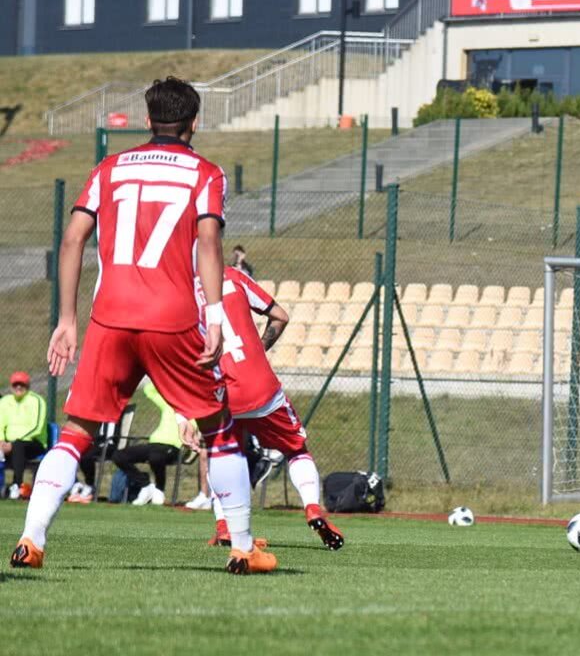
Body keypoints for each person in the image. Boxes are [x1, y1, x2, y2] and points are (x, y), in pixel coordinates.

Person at [10, 77, 275, 575]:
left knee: (75, 433)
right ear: (194, 123)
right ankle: (243, 547)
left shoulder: (109, 168)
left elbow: (72, 241)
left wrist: (67, 319)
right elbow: (210, 244)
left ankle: (31, 539)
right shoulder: (206, 173)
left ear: (148, 120)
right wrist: (215, 316)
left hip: (109, 316)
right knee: (219, 430)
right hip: (171, 318)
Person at [189, 263, 345, 550]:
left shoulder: (181, 289)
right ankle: (312, 508)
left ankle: (224, 526)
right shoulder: (233, 276)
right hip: (260, 386)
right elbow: (280, 317)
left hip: (222, 390)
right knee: (296, 450)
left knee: (221, 455)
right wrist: (257, 350)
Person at [111, 381, 187, 506]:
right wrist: (164, 377)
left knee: (156, 457)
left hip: (173, 447)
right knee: (119, 456)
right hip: (153, 444)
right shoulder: (169, 405)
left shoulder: (194, 412)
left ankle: (159, 489)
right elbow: (149, 390)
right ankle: (145, 485)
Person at [0, 372, 48, 498]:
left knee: (18, 445)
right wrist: (1, 441)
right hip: (8, 444)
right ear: (11, 386)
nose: (19, 388)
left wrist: (13, 443)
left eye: (22, 385)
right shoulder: (5, 401)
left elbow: (37, 427)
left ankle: (17, 485)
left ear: (28, 386)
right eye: (16, 385)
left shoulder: (36, 400)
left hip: (33, 443)